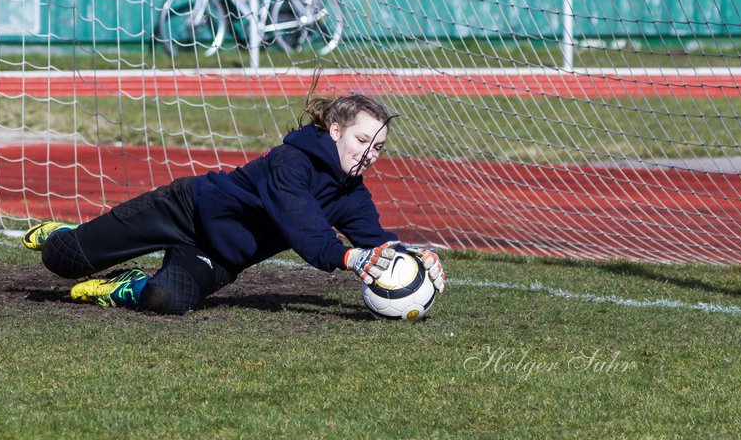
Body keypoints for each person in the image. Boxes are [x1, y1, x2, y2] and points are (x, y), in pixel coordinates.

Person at [23, 93, 445, 314]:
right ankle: (64, 235)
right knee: (62, 259)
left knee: (166, 300)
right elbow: (303, 226)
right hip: (185, 208)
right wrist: (348, 258)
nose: (370, 153)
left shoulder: (351, 193)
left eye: (379, 147)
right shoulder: (290, 162)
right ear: (334, 130)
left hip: (219, 254)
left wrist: (415, 257)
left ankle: (125, 285)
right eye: (362, 140)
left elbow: (375, 240)